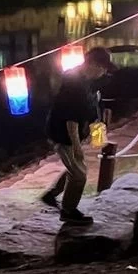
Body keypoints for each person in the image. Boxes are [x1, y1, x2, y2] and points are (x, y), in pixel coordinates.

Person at [41, 47, 116, 225]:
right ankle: (68, 211)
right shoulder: (74, 85)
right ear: (92, 64)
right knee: (79, 174)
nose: (104, 72)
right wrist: (76, 147)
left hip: (74, 132)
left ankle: (51, 195)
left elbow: (93, 107)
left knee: (75, 168)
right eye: (102, 68)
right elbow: (71, 120)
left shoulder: (88, 81)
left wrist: (98, 135)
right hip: (62, 134)